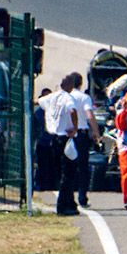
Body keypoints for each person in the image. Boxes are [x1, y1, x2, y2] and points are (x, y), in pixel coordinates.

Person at [40, 74, 83, 216]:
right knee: (69, 173)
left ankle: (70, 203)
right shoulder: (68, 98)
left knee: (60, 172)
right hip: (66, 138)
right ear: (70, 86)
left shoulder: (51, 97)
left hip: (53, 139)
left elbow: (37, 101)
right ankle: (62, 205)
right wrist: (75, 128)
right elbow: (73, 110)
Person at [68, 75, 102, 208]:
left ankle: (68, 196)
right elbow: (89, 115)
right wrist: (95, 131)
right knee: (83, 167)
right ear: (81, 84)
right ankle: (82, 197)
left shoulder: (65, 97)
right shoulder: (84, 98)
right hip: (81, 133)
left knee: (68, 167)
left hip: (67, 133)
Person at [32, 88, 56, 192]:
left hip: (54, 144)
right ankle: (41, 184)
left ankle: (52, 185)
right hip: (42, 144)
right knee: (42, 165)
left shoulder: (55, 112)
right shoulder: (38, 114)